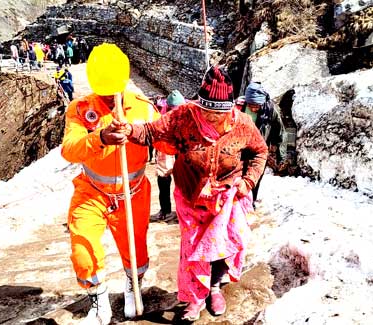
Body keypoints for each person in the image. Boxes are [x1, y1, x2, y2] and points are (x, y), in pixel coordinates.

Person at [105, 66, 268, 321]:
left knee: (222, 246)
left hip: (227, 195)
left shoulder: (242, 124)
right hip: (191, 196)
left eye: (220, 112)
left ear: (230, 108)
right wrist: (129, 130)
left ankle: (214, 288)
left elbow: (260, 151)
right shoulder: (183, 117)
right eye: (208, 111)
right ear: (199, 105)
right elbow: (151, 132)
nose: (213, 118)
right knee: (194, 251)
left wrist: (248, 181)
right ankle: (195, 298)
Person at [61, 43, 160, 324]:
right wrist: (100, 138)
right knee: (83, 245)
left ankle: (133, 286)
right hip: (91, 192)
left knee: (136, 251)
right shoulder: (80, 109)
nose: (107, 95)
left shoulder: (143, 109)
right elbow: (69, 148)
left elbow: (164, 137)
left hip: (134, 193)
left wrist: (148, 140)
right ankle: (99, 300)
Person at [237, 82, 286, 204]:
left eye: (256, 105)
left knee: (255, 179)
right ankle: (237, 206)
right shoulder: (239, 107)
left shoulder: (271, 110)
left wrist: (281, 156)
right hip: (239, 149)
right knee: (238, 179)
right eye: (251, 105)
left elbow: (280, 133)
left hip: (259, 152)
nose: (253, 108)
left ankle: (251, 203)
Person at [154, 90, 185, 219]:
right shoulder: (162, 118)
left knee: (183, 185)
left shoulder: (188, 116)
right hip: (165, 152)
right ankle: (165, 210)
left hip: (183, 152)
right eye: (172, 109)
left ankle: (182, 212)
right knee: (163, 181)